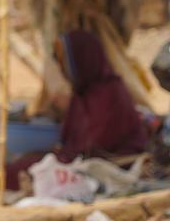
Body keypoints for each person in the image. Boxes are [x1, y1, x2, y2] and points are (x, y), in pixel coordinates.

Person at [56, 30, 149, 160]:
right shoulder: (83, 92)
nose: (62, 67)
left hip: (113, 164)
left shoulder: (111, 93)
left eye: (65, 60)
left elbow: (98, 144)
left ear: (82, 58)